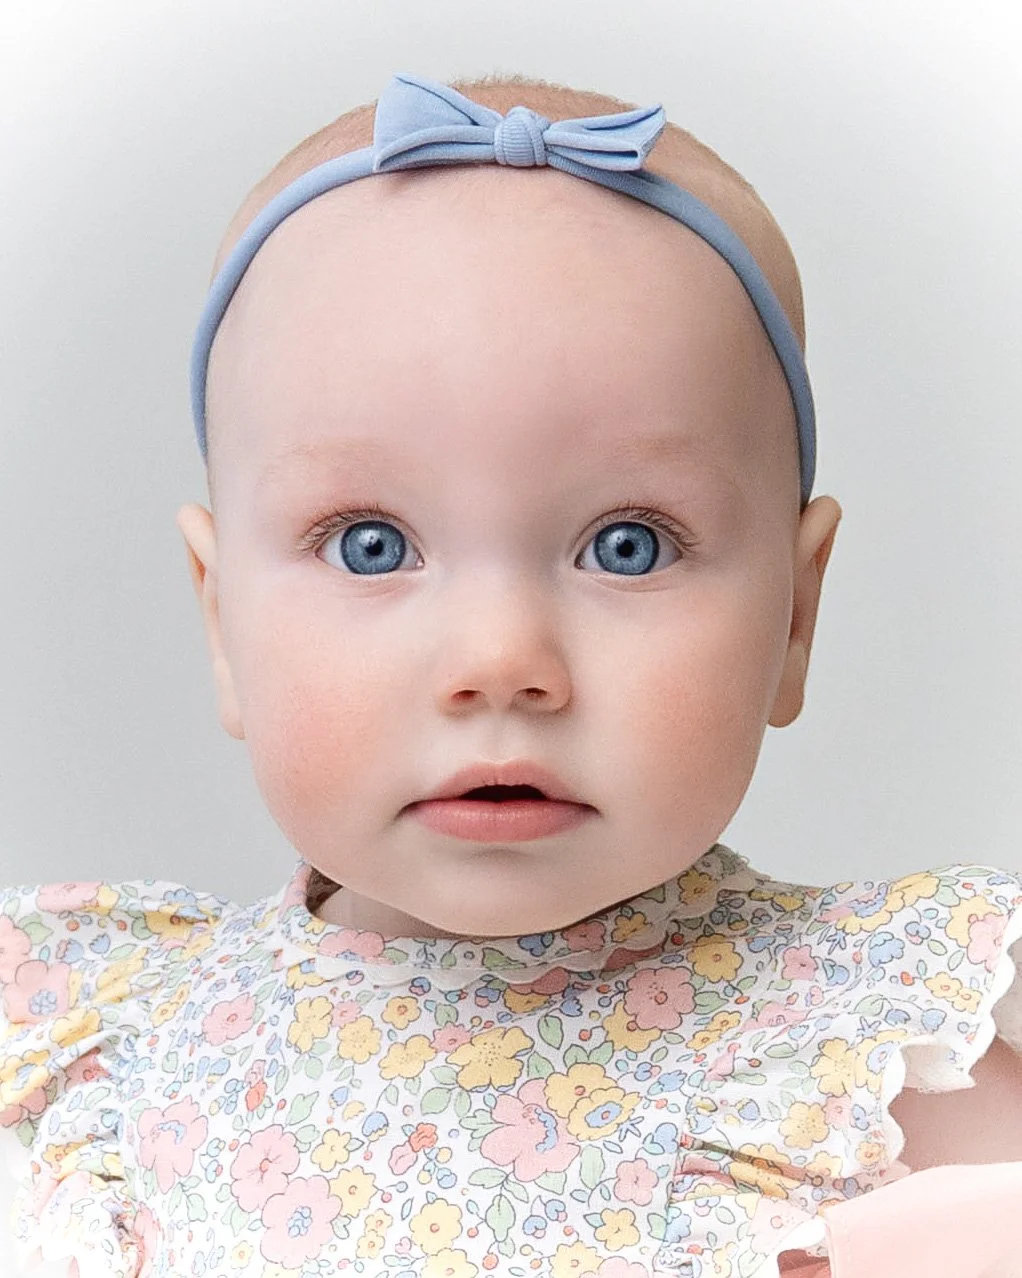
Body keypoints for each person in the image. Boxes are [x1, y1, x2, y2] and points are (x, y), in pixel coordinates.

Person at [1, 70, 1020, 1278]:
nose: (500, 663)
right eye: (370, 546)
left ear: (793, 616)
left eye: (625, 545)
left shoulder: (897, 1043)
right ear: (222, 621)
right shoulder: (85, 1055)